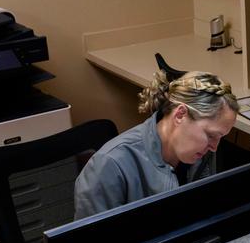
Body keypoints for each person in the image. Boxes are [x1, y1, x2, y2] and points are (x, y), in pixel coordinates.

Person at [73, 70, 239, 220]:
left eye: (220, 137)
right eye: (210, 135)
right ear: (180, 114)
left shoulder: (200, 152)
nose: (214, 147)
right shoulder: (109, 165)